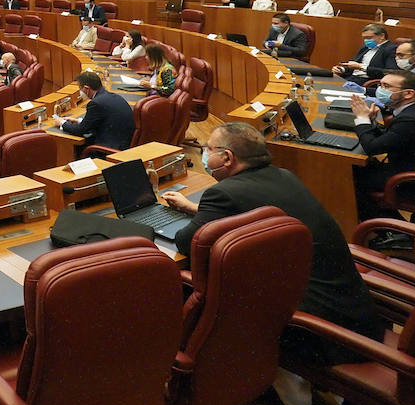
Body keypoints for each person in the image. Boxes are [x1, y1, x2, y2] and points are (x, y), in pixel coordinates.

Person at [159, 123, 382, 347]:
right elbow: (251, 211)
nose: (204, 154)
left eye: (207, 149)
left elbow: (186, 242)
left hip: (318, 328)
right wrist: (194, 209)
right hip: (352, 310)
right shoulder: (284, 176)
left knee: (195, 283)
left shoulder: (223, 193)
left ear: (227, 158)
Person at [351, 71, 415, 220]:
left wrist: (362, 119)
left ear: (408, 93)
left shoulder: (413, 119)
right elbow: (393, 138)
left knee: (350, 176)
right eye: (380, 85)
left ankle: (387, 230)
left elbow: (373, 148)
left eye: (386, 86)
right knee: (358, 167)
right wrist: (371, 122)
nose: (380, 90)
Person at [55, 71, 135, 153]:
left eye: (80, 89)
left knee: (77, 149)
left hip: (111, 149)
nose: (80, 92)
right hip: (124, 143)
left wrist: (62, 123)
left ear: (86, 89)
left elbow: (80, 131)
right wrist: (78, 121)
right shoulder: (114, 96)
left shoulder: (95, 103)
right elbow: (101, 121)